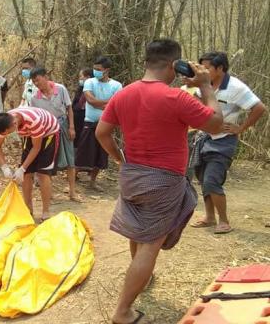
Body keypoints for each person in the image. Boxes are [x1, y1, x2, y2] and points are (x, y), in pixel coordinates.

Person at [95, 39, 223, 324]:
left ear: (146, 62)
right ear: (172, 65)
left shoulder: (123, 94)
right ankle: (123, 311)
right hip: (163, 179)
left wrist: (120, 158)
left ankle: (141, 277)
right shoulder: (176, 98)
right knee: (150, 244)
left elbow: (102, 133)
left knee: (137, 234)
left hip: (132, 175)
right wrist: (204, 85)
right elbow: (215, 123)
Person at [190, 51, 266, 234]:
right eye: (201, 67)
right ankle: (209, 217)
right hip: (203, 137)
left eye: (207, 68)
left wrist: (241, 128)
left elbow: (259, 108)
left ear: (220, 68)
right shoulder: (201, 84)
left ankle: (224, 221)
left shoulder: (236, 87)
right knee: (202, 177)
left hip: (224, 140)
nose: (203, 71)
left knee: (212, 179)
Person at [0, 107, 60, 222]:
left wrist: (22, 169)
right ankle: (28, 209)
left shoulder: (34, 120)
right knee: (27, 174)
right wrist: (4, 167)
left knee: (42, 174)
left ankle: (46, 212)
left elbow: (37, 147)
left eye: (9, 132)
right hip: (30, 135)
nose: (8, 135)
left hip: (49, 133)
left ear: (15, 124)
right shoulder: (4, 121)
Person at [30, 67, 81, 201]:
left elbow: (69, 108)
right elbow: (36, 118)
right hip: (48, 130)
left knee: (70, 160)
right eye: (34, 82)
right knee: (48, 162)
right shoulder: (35, 98)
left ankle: (72, 193)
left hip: (64, 126)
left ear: (45, 77)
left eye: (38, 80)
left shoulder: (61, 89)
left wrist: (71, 127)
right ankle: (49, 193)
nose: (36, 84)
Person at [75, 56, 122, 191]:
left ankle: (93, 181)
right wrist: (108, 103)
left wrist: (106, 104)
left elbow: (116, 104)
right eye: (95, 69)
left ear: (107, 70)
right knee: (83, 152)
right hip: (89, 122)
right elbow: (91, 101)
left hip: (107, 125)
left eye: (99, 69)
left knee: (101, 155)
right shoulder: (90, 82)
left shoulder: (116, 85)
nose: (96, 71)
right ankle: (73, 178)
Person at [72, 68, 92, 147]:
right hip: (76, 121)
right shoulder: (80, 89)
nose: (80, 79)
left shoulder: (91, 91)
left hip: (85, 121)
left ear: (88, 77)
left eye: (81, 76)